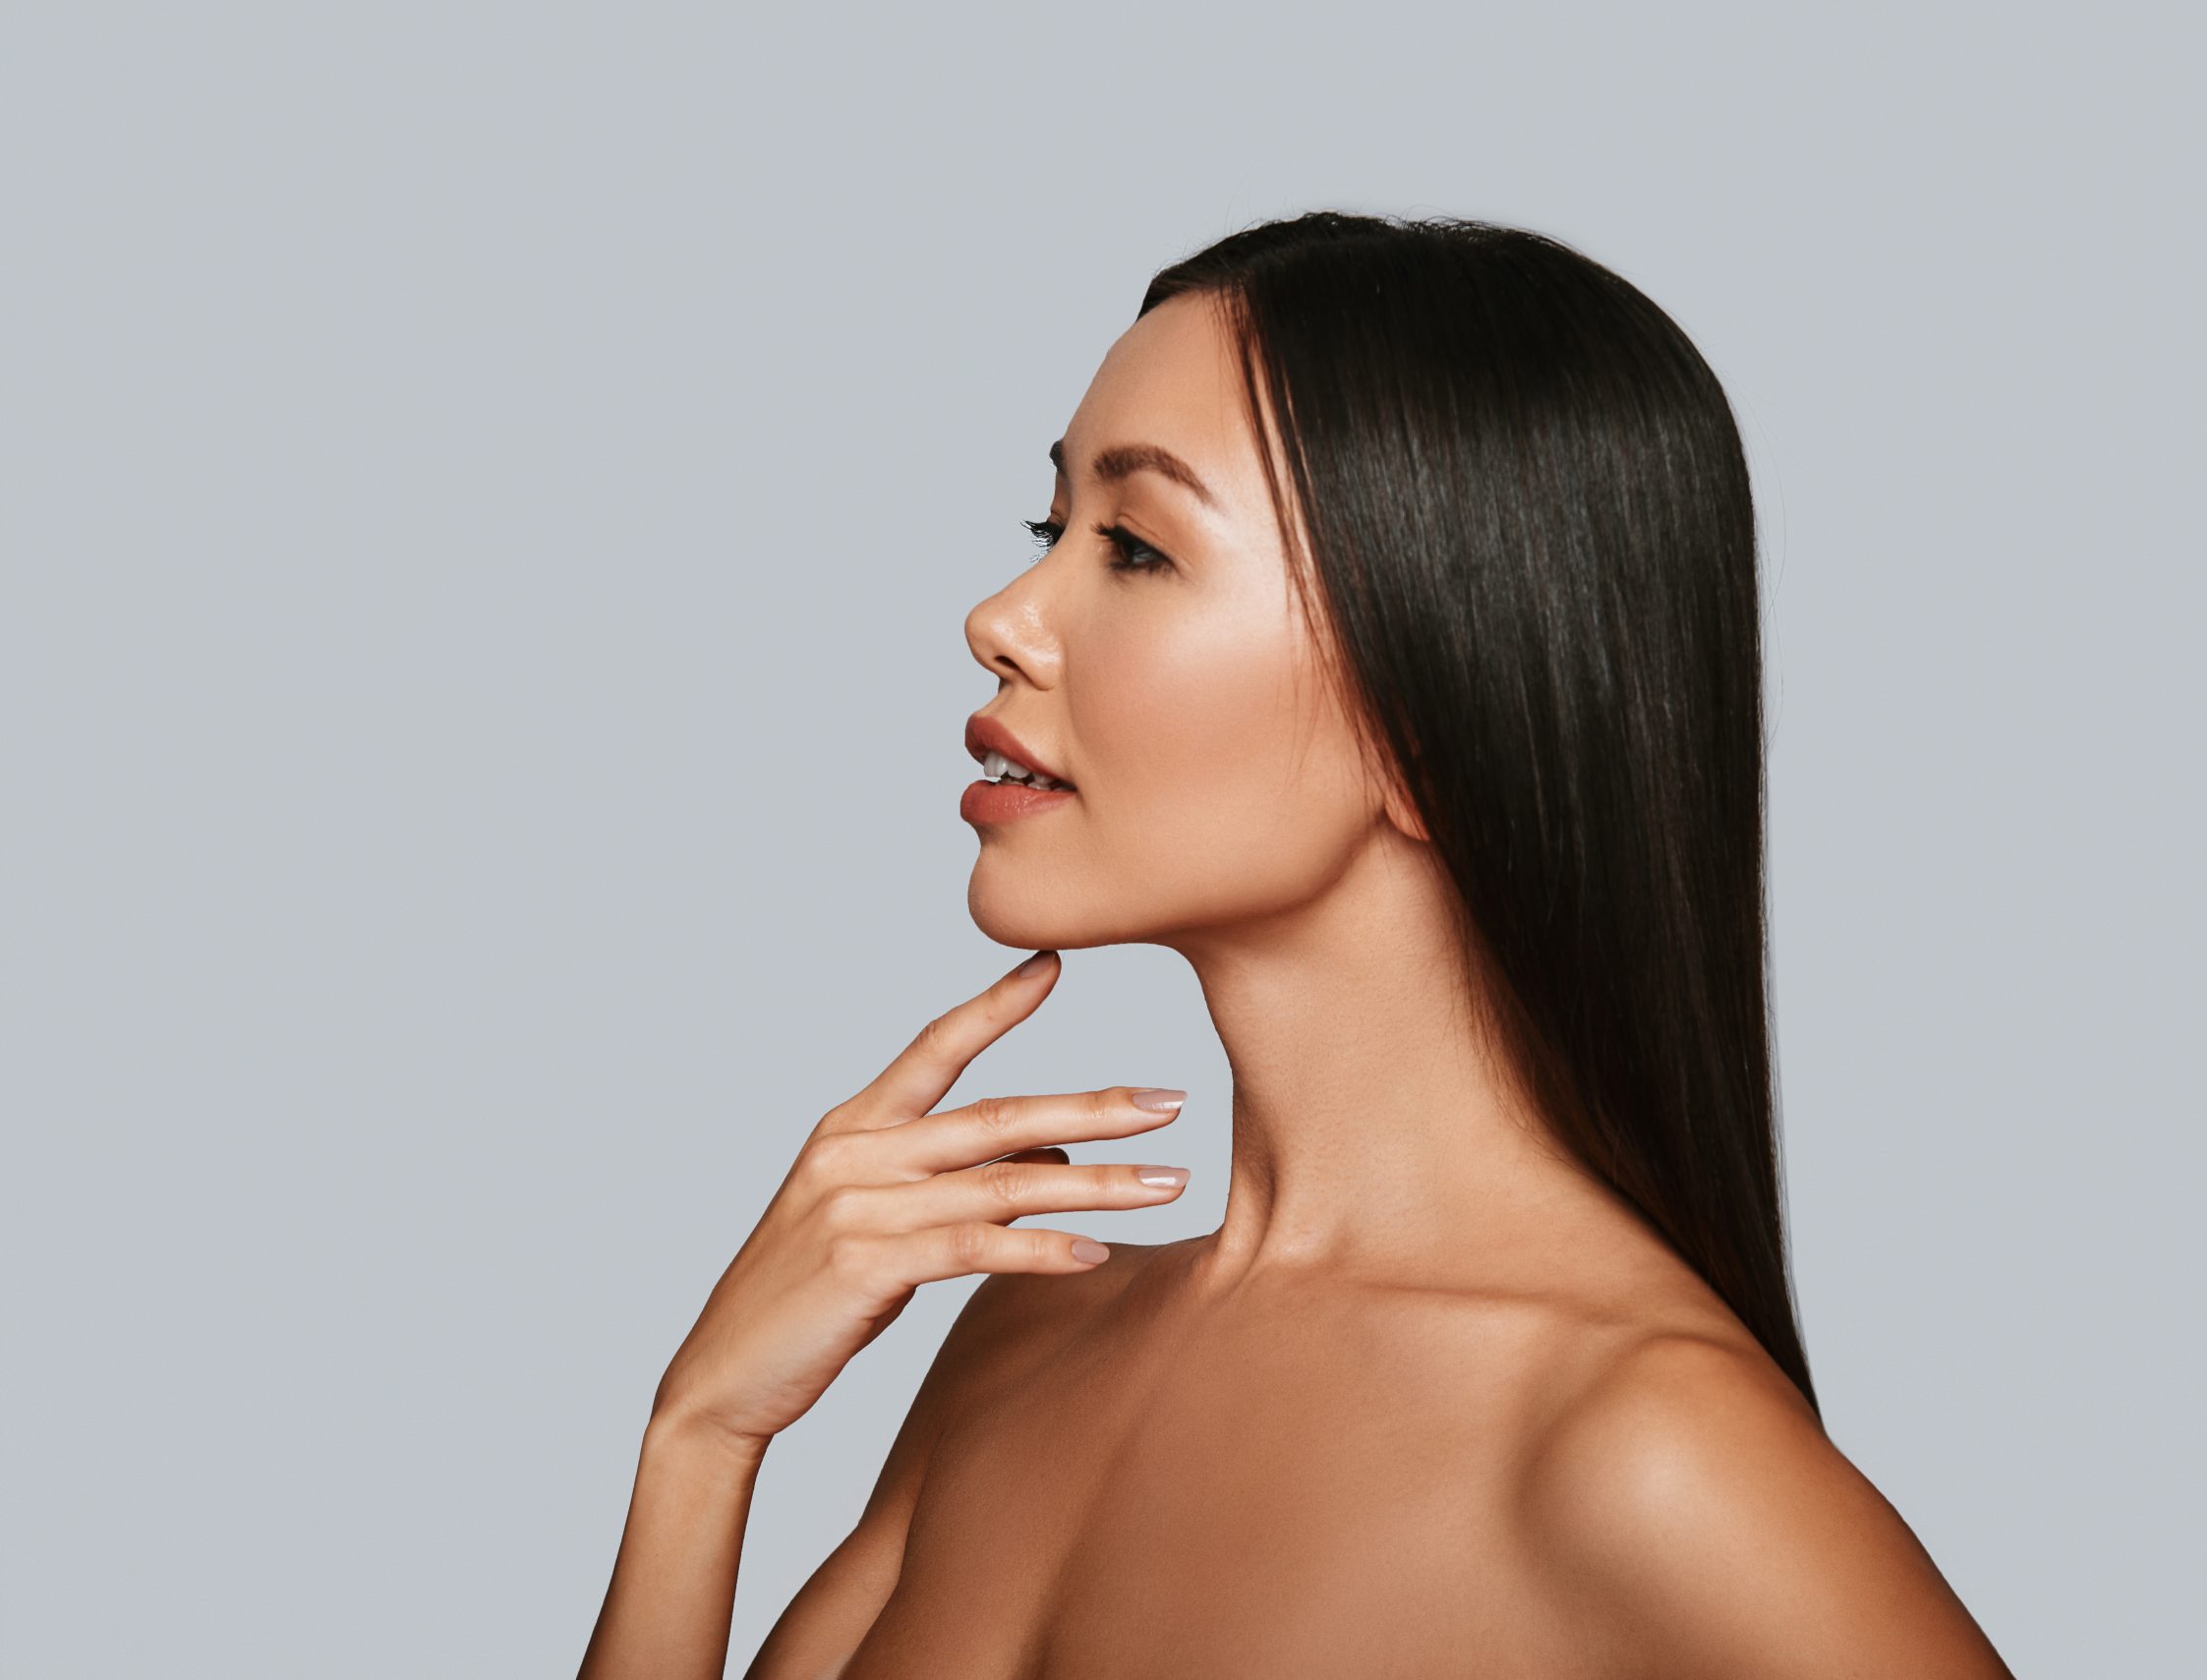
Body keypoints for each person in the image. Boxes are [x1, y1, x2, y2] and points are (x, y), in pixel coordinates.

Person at [579, 210, 2013, 1678]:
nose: (1001, 618)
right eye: (1049, 527)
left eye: (1135, 546)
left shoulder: (1646, 1454)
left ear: (1434, 720)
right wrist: (701, 1441)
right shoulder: (1019, 1339)